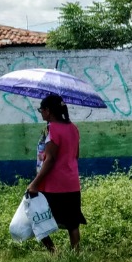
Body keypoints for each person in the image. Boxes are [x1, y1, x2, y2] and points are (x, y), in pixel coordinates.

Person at [27, 94, 85, 252]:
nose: (41, 113)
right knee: (72, 223)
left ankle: (53, 252)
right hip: (72, 183)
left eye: (41, 110)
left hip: (53, 185)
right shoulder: (73, 128)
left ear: (48, 111)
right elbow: (76, 155)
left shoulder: (52, 129)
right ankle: (76, 254)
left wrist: (34, 184)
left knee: (37, 216)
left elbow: (50, 160)